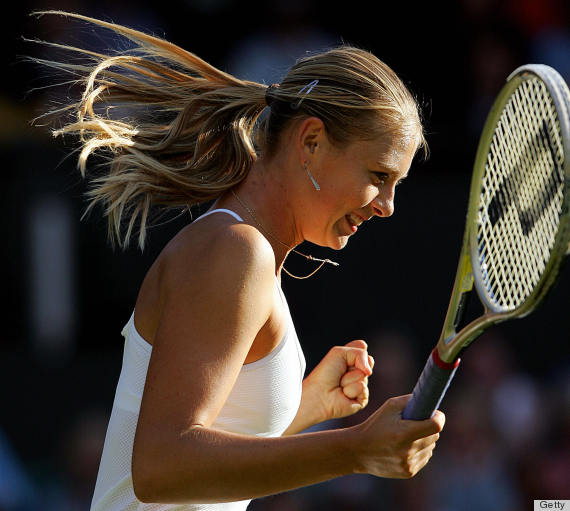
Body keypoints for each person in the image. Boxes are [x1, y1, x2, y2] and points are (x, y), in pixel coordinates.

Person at [31, 11, 445, 510]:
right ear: (310, 142)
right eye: (379, 174)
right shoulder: (235, 251)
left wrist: (306, 404)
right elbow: (162, 467)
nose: (388, 204)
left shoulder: (249, 255)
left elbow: (208, 457)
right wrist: (355, 450)